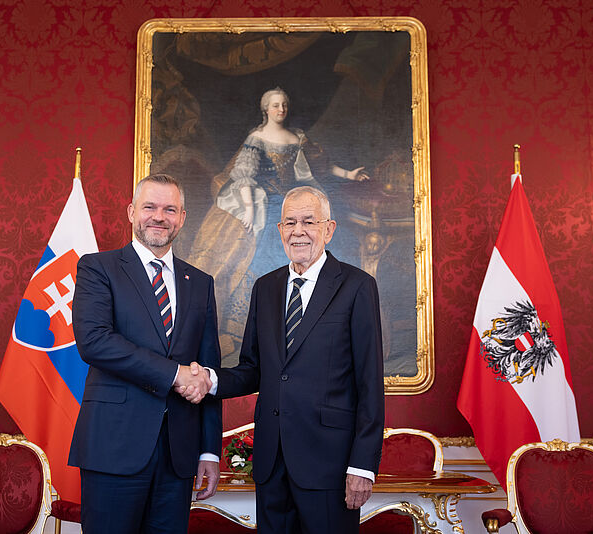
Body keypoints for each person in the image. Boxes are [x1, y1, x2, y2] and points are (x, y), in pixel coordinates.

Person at [197, 185, 385, 534]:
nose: (298, 231)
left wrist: (363, 465)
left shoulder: (357, 286)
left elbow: (370, 382)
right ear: (280, 230)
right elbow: (254, 369)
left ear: (328, 229)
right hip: (271, 462)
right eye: (290, 223)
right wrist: (211, 380)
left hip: (330, 463)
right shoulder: (265, 288)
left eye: (309, 222)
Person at [68, 173, 221, 534]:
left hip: (178, 456)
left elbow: (207, 368)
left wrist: (209, 451)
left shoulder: (200, 283)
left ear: (182, 218)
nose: (159, 216)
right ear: (131, 212)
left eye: (170, 209)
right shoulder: (98, 268)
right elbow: (95, 342)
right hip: (113, 447)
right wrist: (175, 374)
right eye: (150, 207)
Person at [190, 87, 369, 361]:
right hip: (267, 203)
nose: (281, 109)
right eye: (275, 105)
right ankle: (244, 329)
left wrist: (349, 174)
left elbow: (320, 167)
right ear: (266, 109)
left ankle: (308, 327)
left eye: (284, 104)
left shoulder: (297, 137)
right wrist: (249, 210)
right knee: (262, 255)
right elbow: (245, 176)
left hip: (290, 202)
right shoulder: (257, 138)